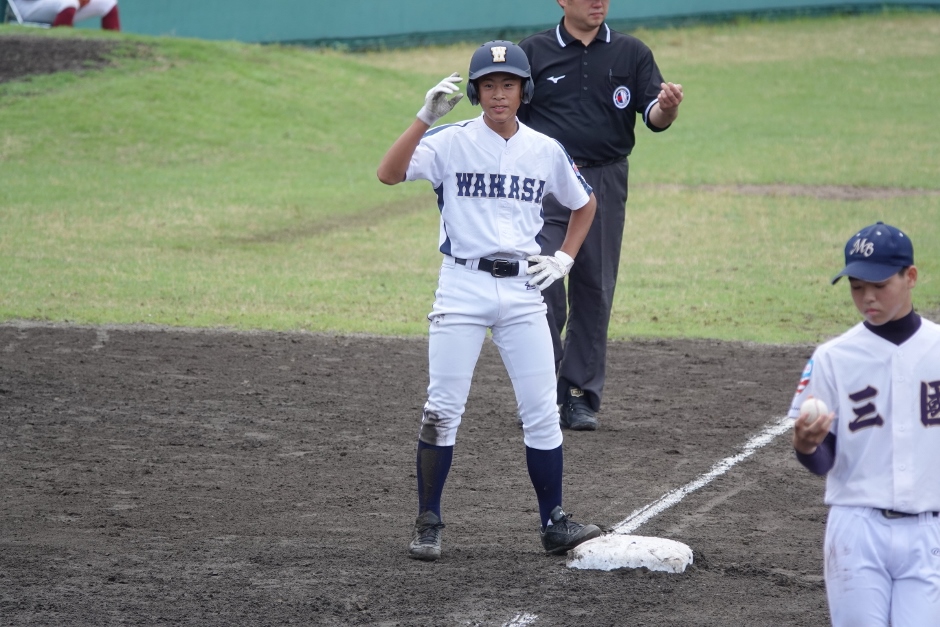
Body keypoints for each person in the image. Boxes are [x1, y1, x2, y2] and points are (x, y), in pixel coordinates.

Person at [377, 40, 602, 561]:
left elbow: (585, 202)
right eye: (488, 85)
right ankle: (428, 521)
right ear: (476, 93)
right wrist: (423, 118)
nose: (499, 93)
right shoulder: (450, 141)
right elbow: (388, 173)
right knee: (442, 408)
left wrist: (564, 257)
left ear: (525, 90)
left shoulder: (544, 148)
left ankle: (554, 522)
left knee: (542, 410)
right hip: (462, 285)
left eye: (509, 84)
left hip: (523, 290)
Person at [517, 0, 683, 431]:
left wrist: (668, 107)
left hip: (604, 181)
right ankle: (540, 393)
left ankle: (578, 396)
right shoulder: (531, 52)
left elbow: (654, 117)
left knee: (595, 286)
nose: (598, 2)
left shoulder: (632, 53)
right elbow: (509, 119)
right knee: (540, 285)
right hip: (546, 184)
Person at [789, 221, 940, 626]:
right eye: (857, 287)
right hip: (857, 529)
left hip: (930, 532)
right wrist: (806, 446)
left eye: (879, 285)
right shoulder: (834, 357)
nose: (867, 297)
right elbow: (824, 459)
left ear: (910, 277)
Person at [10, 0, 120, 30]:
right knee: (69, 2)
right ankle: (61, 45)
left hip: (55, 5)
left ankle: (116, 52)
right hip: (26, 7)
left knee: (108, 2)